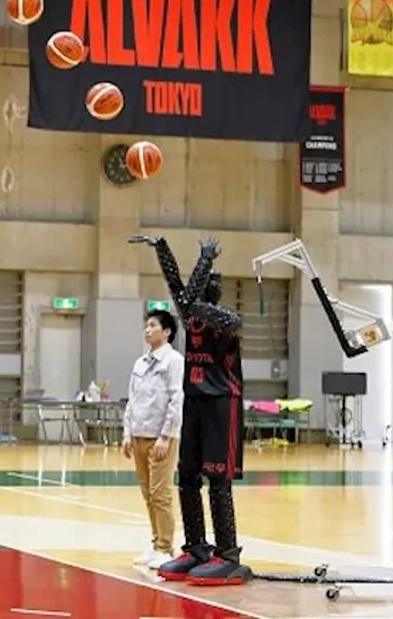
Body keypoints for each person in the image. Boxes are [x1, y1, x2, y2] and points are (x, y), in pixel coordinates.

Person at [131, 234, 252, 586]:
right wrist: (163, 249)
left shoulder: (227, 319)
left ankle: (228, 554)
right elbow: (179, 293)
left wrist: (204, 260)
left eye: (213, 277)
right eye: (206, 276)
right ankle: (197, 547)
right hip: (194, 402)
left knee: (218, 482)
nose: (207, 282)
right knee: (186, 478)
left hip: (221, 406)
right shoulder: (191, 313)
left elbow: (184, 299)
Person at [122, 308, 185, 569]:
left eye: (152, 326)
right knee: (148, 494)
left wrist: (166, 436)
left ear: (167, 331)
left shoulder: (173, 360)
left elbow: (176, 399)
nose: (147, 330)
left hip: (161, 438)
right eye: (146, 326)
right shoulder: (140, 363)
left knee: (161, 494)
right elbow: (132, 400)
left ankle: (165, 548)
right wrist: (127, 433)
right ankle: (155, 541)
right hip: (138, 435)